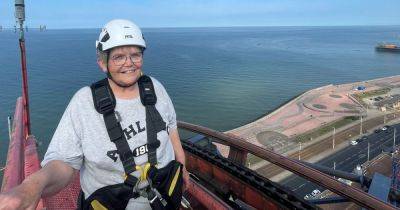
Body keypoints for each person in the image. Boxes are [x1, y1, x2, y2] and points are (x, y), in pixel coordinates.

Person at [0, 19, 189, 210]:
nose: (129, 63)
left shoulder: (155, 89)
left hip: (164, 196)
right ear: (102, 63)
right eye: (118, 57)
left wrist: (182, 167)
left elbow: (171, 127)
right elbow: (63, 163)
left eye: (135, 55)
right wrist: (32, 186)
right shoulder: (85, 103)